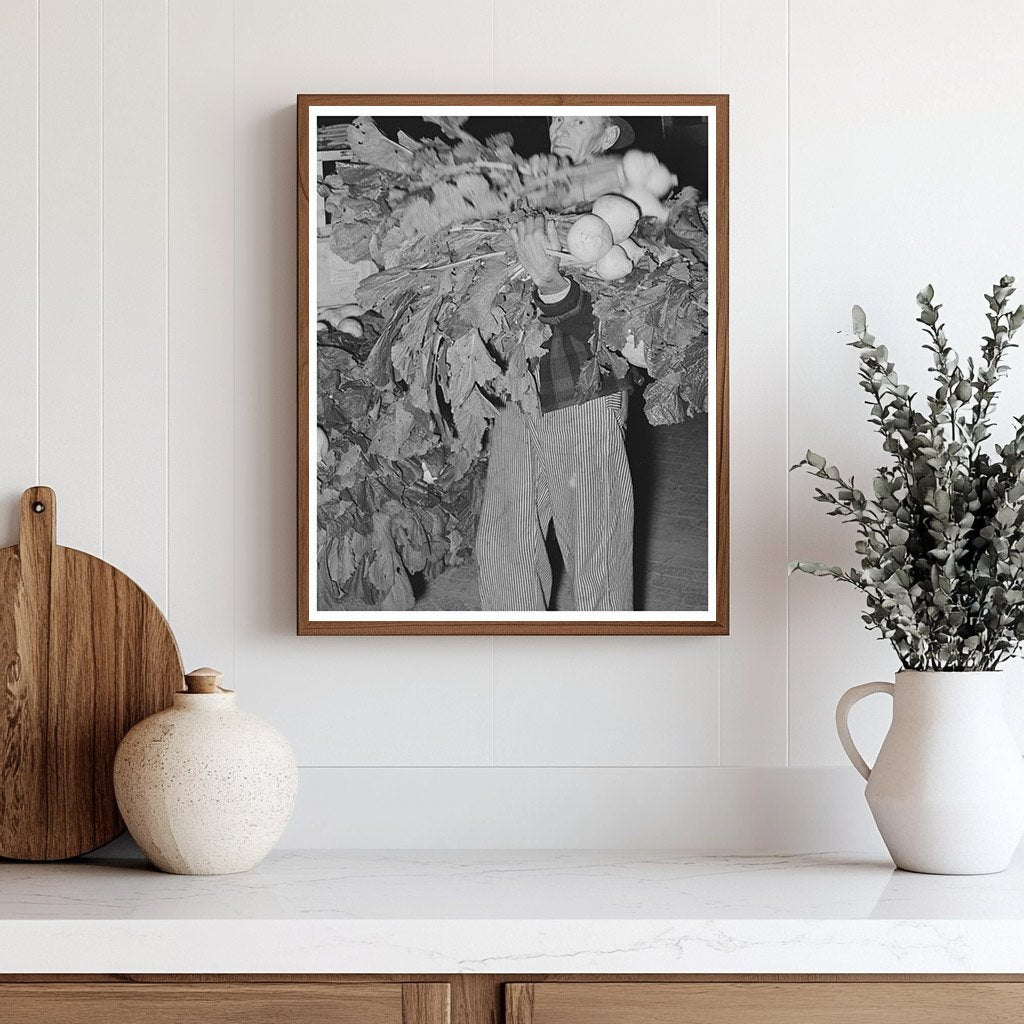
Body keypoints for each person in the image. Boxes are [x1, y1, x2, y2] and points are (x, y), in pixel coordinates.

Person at [474, 115, 636, 611]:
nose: (560, 126)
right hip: (518, 389)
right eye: (556, 117)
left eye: (578, 119)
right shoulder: (526, 194)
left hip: (583, 394)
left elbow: (623, 323)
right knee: (504, 545)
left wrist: (551, 283)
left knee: (596, 552)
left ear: (607, 136)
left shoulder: (625, 208)